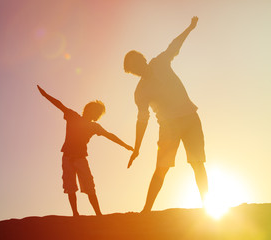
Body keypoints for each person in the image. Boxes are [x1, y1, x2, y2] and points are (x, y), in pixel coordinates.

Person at [124, 16, 208, 213]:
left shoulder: (160, 62)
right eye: (133, 68)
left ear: (143, 59)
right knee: (161, 169)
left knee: (198, 163)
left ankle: (207, 206)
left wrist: (190, 27)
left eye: (138, 62)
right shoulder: (140, 92)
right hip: (169, 126)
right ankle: (146, 210)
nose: (137, 68)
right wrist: (136, 148)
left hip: (190, 117)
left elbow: (175, 45)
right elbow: (142, 121)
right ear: (132, 71)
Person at [37, 85, 133, 216]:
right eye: (94, 111)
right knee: (70, 186)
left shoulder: (94, 126)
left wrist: (125, 145)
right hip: (67, 157)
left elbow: (109, 135)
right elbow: (59, 105)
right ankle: (75, 213)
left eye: (97, 113)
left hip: (81, 159)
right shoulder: (72, 116)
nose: (95, 114)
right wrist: (45, 95)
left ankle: (98, 214)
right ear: (88, 110)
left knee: (89, 186)